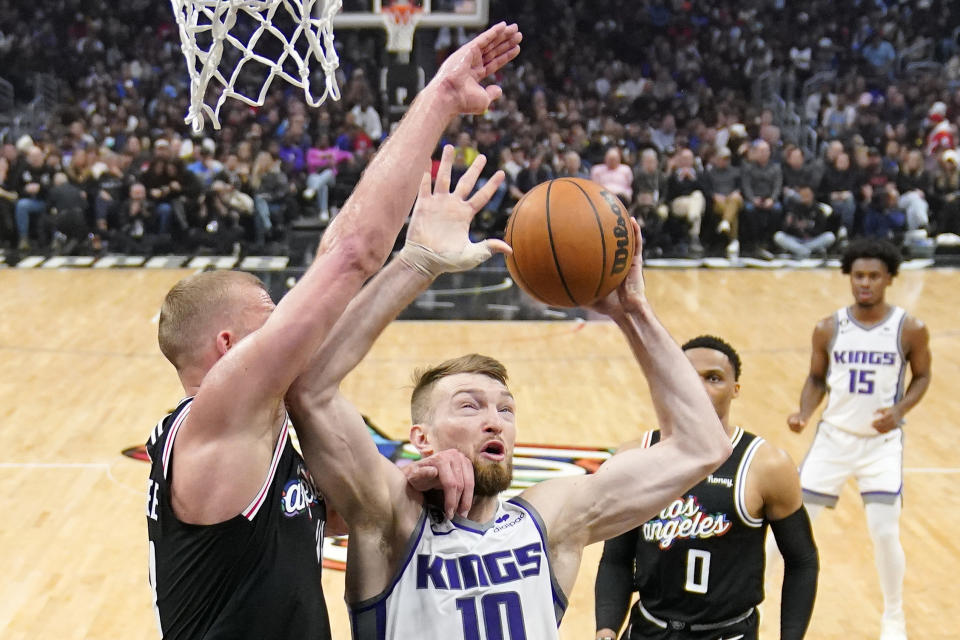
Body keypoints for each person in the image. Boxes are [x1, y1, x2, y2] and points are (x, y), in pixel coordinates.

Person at [143, 22, 523, 640]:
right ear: (230, 350)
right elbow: (347, 256)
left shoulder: (244, 441)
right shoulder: (218, 417)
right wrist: (442, 96)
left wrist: (411, 480)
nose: (295, 327)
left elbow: (328, 518)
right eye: (273, 315)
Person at [285, 177, 732, 639]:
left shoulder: (549, 521)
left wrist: (632, 311)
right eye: (469, 406)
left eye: (505, 410)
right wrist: (417, 262)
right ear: (422, 437)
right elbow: (310, 391)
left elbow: (702, 445)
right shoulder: (393, 518)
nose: (493, 421)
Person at [593, 335, 818, 640]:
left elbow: (802, 560)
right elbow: (616, 559)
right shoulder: (635, 457)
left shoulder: (766, 465)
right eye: (687, 376)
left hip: (727, 633)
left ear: (735, 389)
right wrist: (606, 628)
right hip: (649, 630)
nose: (698, 387)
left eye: (713, 378)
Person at [786, 238, 932, 640]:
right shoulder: (828, 327)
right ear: (849, 277)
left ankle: (893, 616)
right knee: (792, 528)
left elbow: (922, 376)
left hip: (880, 446)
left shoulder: (910, 328)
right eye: (858, 276)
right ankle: (765, 603)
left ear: (889, 279)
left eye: (873, 276)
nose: (865, 283)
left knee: (885, 532)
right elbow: (817, 378)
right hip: (832, 440)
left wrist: (900, 411)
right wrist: (804, 411)